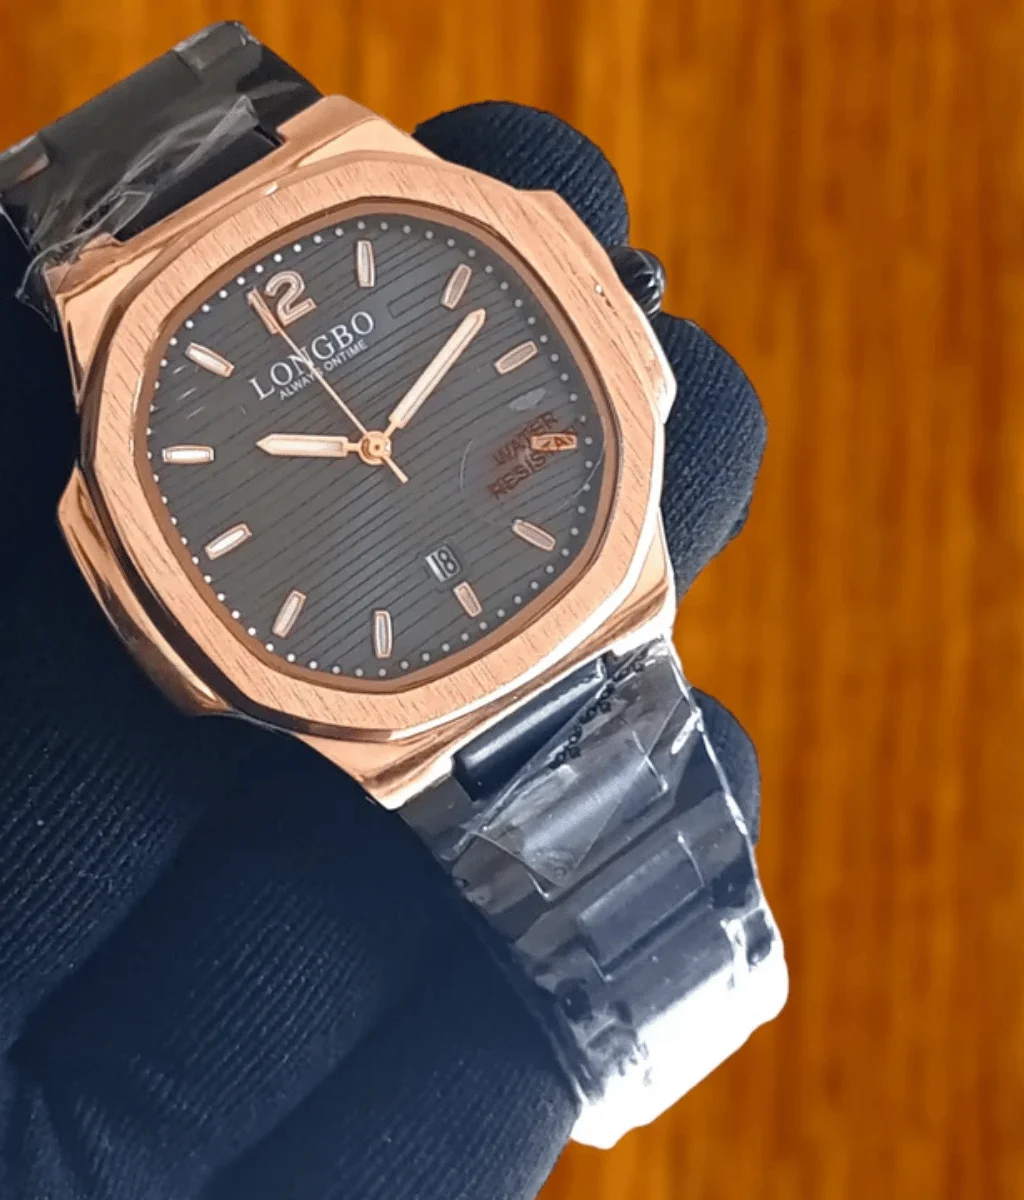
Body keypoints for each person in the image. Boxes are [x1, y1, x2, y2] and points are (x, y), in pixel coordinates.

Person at [0, 99, 767, 1200]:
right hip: (385, 714)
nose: (372, 445)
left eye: (378, 437)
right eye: (362, 446)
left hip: (583, 596)